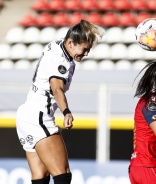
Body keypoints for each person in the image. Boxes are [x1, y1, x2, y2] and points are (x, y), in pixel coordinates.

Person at [16, 20, 104, 184]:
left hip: (26, 114)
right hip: (39, 117)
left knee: (40, 176)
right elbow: (56, 88)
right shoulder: (61, 60)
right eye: (84, 49)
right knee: (63, 175)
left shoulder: (56, 46)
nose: (86, 54)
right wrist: (66, 111)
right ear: (70, 43)